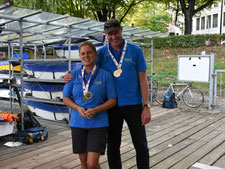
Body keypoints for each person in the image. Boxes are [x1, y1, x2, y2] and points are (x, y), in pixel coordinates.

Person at [65, 18, 151, 169]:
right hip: (112, 107)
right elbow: (87, 64)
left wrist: (146, 106)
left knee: (140, 144)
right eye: (110, 34)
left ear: (121, 30)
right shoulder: (102, 54)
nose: (113, 37)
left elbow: (143, 79)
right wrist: (70, 74)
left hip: (134, 104)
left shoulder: (135, 50)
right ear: (105, 34)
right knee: (113, 146)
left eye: (116, 33)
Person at [63, 41, 117, 169]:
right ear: (80, 56)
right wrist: (78, 108)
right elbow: (65, 98)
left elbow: (113, 100)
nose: (86, 56)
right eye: (83, 53)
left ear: (95, 54)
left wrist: (96, 110)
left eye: (89, 52)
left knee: (92, 164)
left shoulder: (105, 75)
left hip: (98, 124)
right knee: (84, 164)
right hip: (78, 123)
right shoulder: (73, 75)